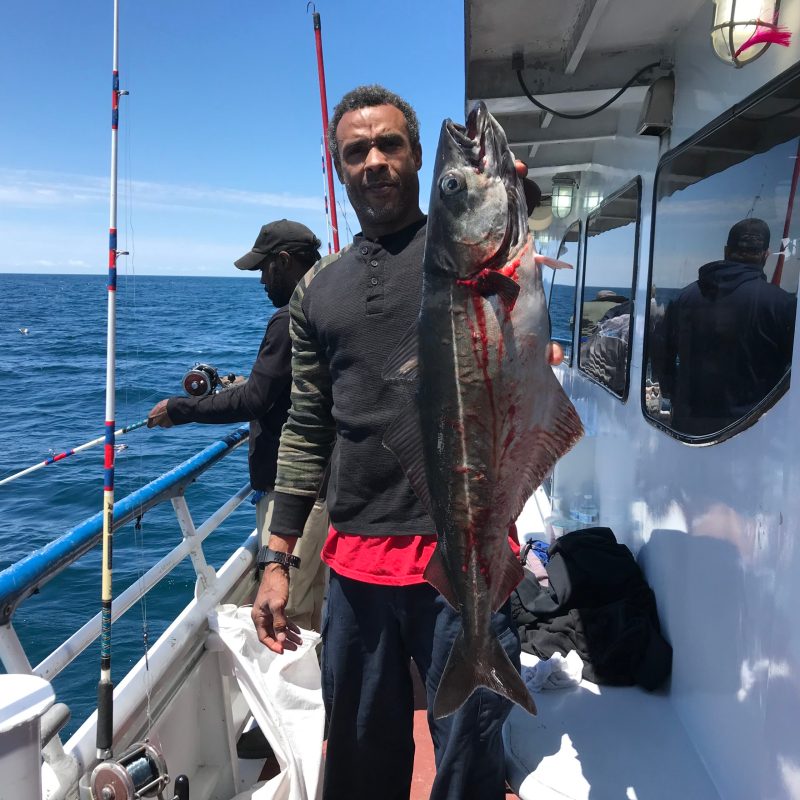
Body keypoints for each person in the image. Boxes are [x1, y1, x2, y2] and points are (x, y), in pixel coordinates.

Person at [250, 85, 561, 800]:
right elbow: (306, 424)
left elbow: (514, 218)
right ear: (339, 168)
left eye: (390, 144)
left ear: (415, 156)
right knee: (360, 752)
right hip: (357, 558)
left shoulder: (463, 250)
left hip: (466, 553)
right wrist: (277, 556)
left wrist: (511, 193)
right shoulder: (317, 290)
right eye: (356, 151)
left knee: (466, 758)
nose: (375, 162)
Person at [146, 219, 329, 632]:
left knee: (286, 617)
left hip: (297, 495)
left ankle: (293, 693)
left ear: (283, 261)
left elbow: (255, 400)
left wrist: (181, 409)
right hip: (324, 490)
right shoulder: (327, 304)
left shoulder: (287, 319)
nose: (262, 280)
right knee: (314, 606)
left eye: (264, 269)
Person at [654, 217, 796, 436]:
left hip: (689, 426)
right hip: (753, 429)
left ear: (726, 250)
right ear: (765, 255)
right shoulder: (784, 305)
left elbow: (660, 350)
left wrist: (673, 392)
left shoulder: (684, 298)